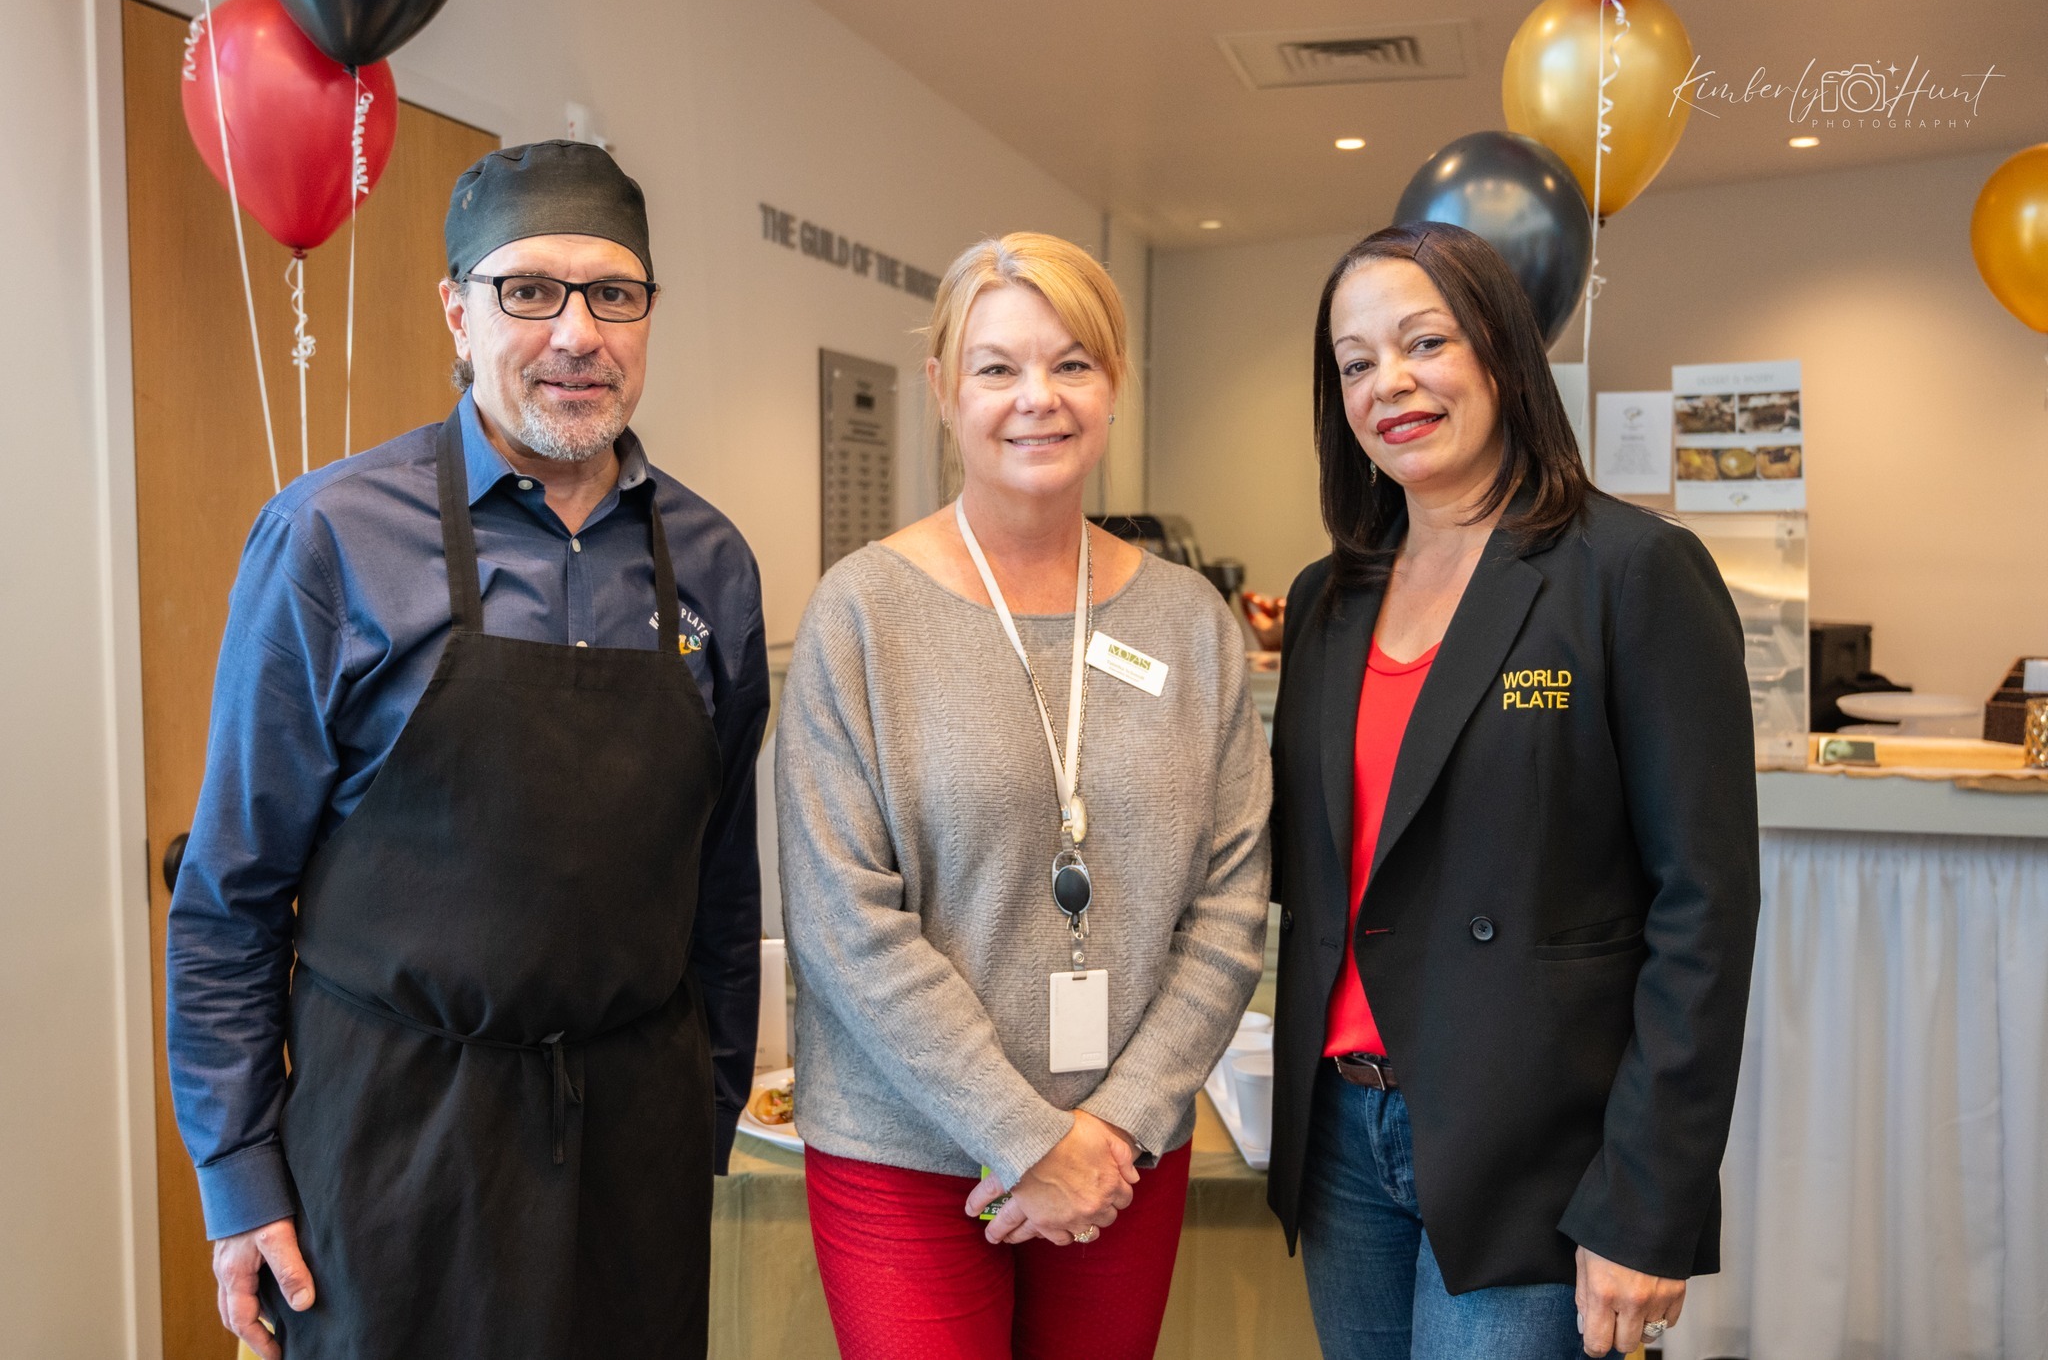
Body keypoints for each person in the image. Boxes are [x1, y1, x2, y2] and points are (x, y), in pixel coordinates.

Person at [165, 140, 769, 1359]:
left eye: (613, 293)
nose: (576, 333)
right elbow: (232, 895)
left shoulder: (711, 562)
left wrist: (700, 1115)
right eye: (529, 290)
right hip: (390, 1148)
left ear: (648, 314)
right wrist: (238, 1175)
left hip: (632, 1155)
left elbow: (717, 884)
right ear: (457, 309)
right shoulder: (331, 538)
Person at [1263, 220, 1760, 1360]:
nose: (1388, 383)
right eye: (1353, 362)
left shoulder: (1629, 571)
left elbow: (1703, 910)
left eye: (1423, 342)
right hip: (1342, 1138)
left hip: (1532, 1145)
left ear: (1499, 351)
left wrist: (1647, 1199)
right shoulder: (1327, 598)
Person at [775, 231, 1272, 1359]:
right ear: (943, 389)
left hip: (1120, 1151)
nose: (1036, 397)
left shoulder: (1192, 624)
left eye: (1071, 363)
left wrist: (1111, 1128)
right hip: (903, 1150)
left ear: (1113, 385)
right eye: (996, 366)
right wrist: (1025, 1135)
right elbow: (844, 923)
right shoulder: (861, 616)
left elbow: (1230, 907)